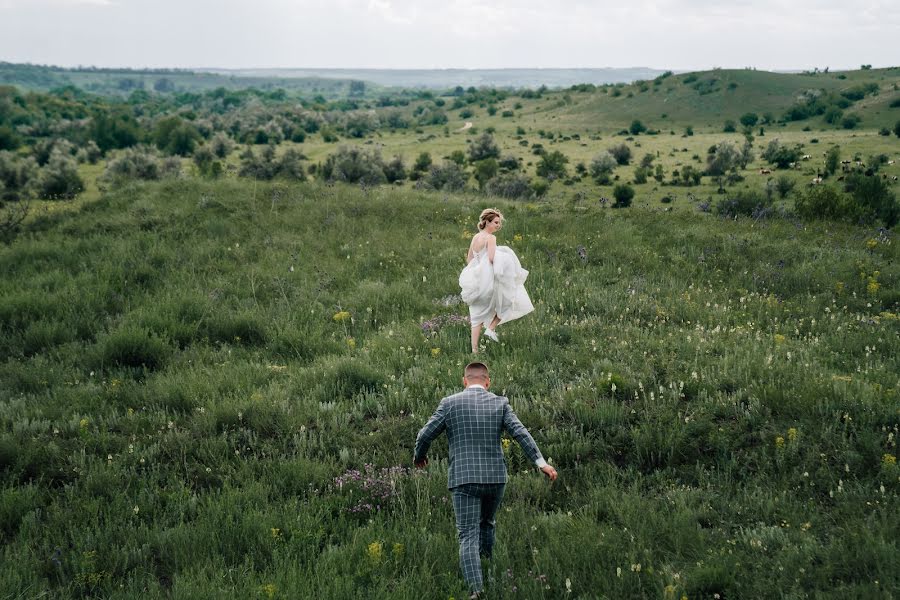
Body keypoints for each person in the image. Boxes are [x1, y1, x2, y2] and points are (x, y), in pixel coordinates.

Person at [414, 362, 557, 598]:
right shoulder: (500, 403)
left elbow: (425, 434)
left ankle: (476, 591)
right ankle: (488, 569)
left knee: (467, 534)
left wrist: (420, 456)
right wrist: (542, 463)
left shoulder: (449, 403)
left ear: (464, 380)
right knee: (487, 524)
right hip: (495, 478)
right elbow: (521, 433)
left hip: (464, 478)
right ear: (488, 382)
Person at [459, 208, 534, 353]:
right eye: (496, 222)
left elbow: (469, 259)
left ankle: (474, 350)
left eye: (499, 223)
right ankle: (491, 328)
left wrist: (476, 272)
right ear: (487, 222)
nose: (498, 225)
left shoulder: (475, 237)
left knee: (476, 316)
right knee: (509, 299)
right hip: (489, 281)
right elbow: (492, 259)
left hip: (476, 281)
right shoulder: (490, 238)